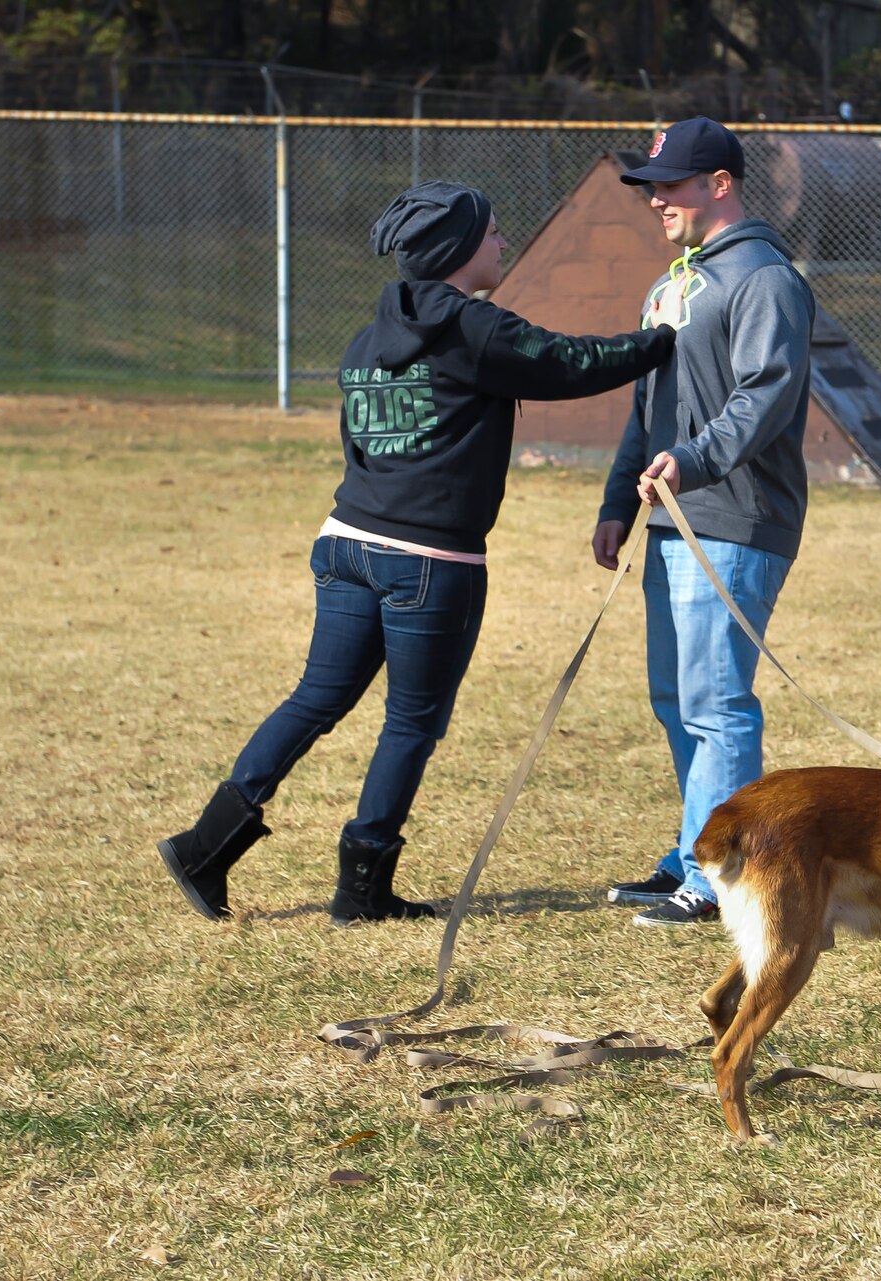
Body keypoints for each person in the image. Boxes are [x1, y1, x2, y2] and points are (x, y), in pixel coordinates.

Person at [158, 181, 676, 926]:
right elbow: (569, 363)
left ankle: (206, 847)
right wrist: (664, 339)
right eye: (494, 232)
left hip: (345, 541)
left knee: (316, 698)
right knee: (412, 721)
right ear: (460, 250)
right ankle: (362, 888)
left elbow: (357, 441)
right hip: (430, 562)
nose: (504, 242)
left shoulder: (367, 337)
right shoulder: (476, 329)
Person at [591, 118, 815, 927]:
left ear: (720, 183)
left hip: (735, 518)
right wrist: (620, 501)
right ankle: (693, 850)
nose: (656, 199)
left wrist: (693, 458)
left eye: (672, 183)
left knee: (717, 702)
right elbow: (645, 407)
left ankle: (724, 868)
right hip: (669, 521)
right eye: (652, 184)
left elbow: (766, 395)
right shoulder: (671, 284)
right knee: (674, 696)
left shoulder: (765, 277)